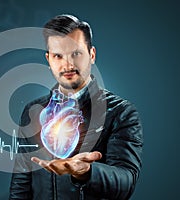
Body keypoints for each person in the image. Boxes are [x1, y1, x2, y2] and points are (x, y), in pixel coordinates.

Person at [9, 14, 143, 200]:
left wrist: (87, 172)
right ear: (49, 60)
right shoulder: (33, 111)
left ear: (92, 55)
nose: (68, 64)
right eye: (58, 56)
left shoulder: (121, 112)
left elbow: (126, 181)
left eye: (76, 53)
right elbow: (21, 185)